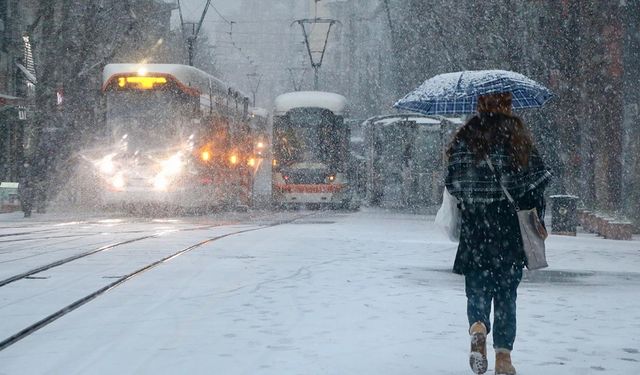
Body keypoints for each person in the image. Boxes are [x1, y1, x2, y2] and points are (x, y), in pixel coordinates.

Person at [445, 93, 552, 375]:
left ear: (480, 105)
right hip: (508, 228)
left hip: (476, 227)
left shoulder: (466, 136)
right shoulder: (517, 136)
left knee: (477, 286)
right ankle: (503, 357)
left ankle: (478, 325)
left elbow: (452, 184)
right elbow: (538, 181)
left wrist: (475, 194)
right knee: (506, 293)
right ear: (508, 105)